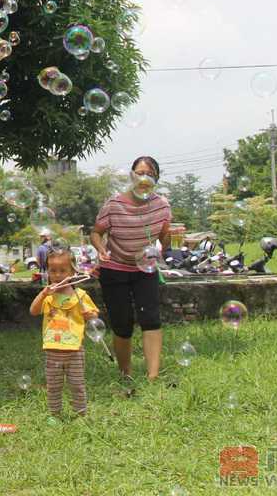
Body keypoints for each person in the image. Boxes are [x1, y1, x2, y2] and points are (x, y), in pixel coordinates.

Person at [91, 155, 172, 383]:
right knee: (122, 322)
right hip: (114, 269)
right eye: (139, 172)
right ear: (131, 175)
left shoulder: (162, 205)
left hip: (144, 268)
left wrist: (167, 241)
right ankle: (125, 373)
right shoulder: (114, 204)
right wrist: (100, 249)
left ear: (156, 178)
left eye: (150, 174)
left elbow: (164, 238)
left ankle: (153, 376)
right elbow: (96, 232)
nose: (144, 177)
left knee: (151, 319)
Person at [29, 247, 100, 418]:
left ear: (73, 271)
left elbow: (93, 315)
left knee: (77, 384)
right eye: (53, 271)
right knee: (53, 386)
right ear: (48, 272)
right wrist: (42, 294)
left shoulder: (80, 295)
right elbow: (33, 311)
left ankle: (81, 414)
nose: (58, 275)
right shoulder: (48, 297)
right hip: (52, 349)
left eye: (63, 270)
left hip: (74, 350)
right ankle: (55, 414)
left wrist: (90, 315)